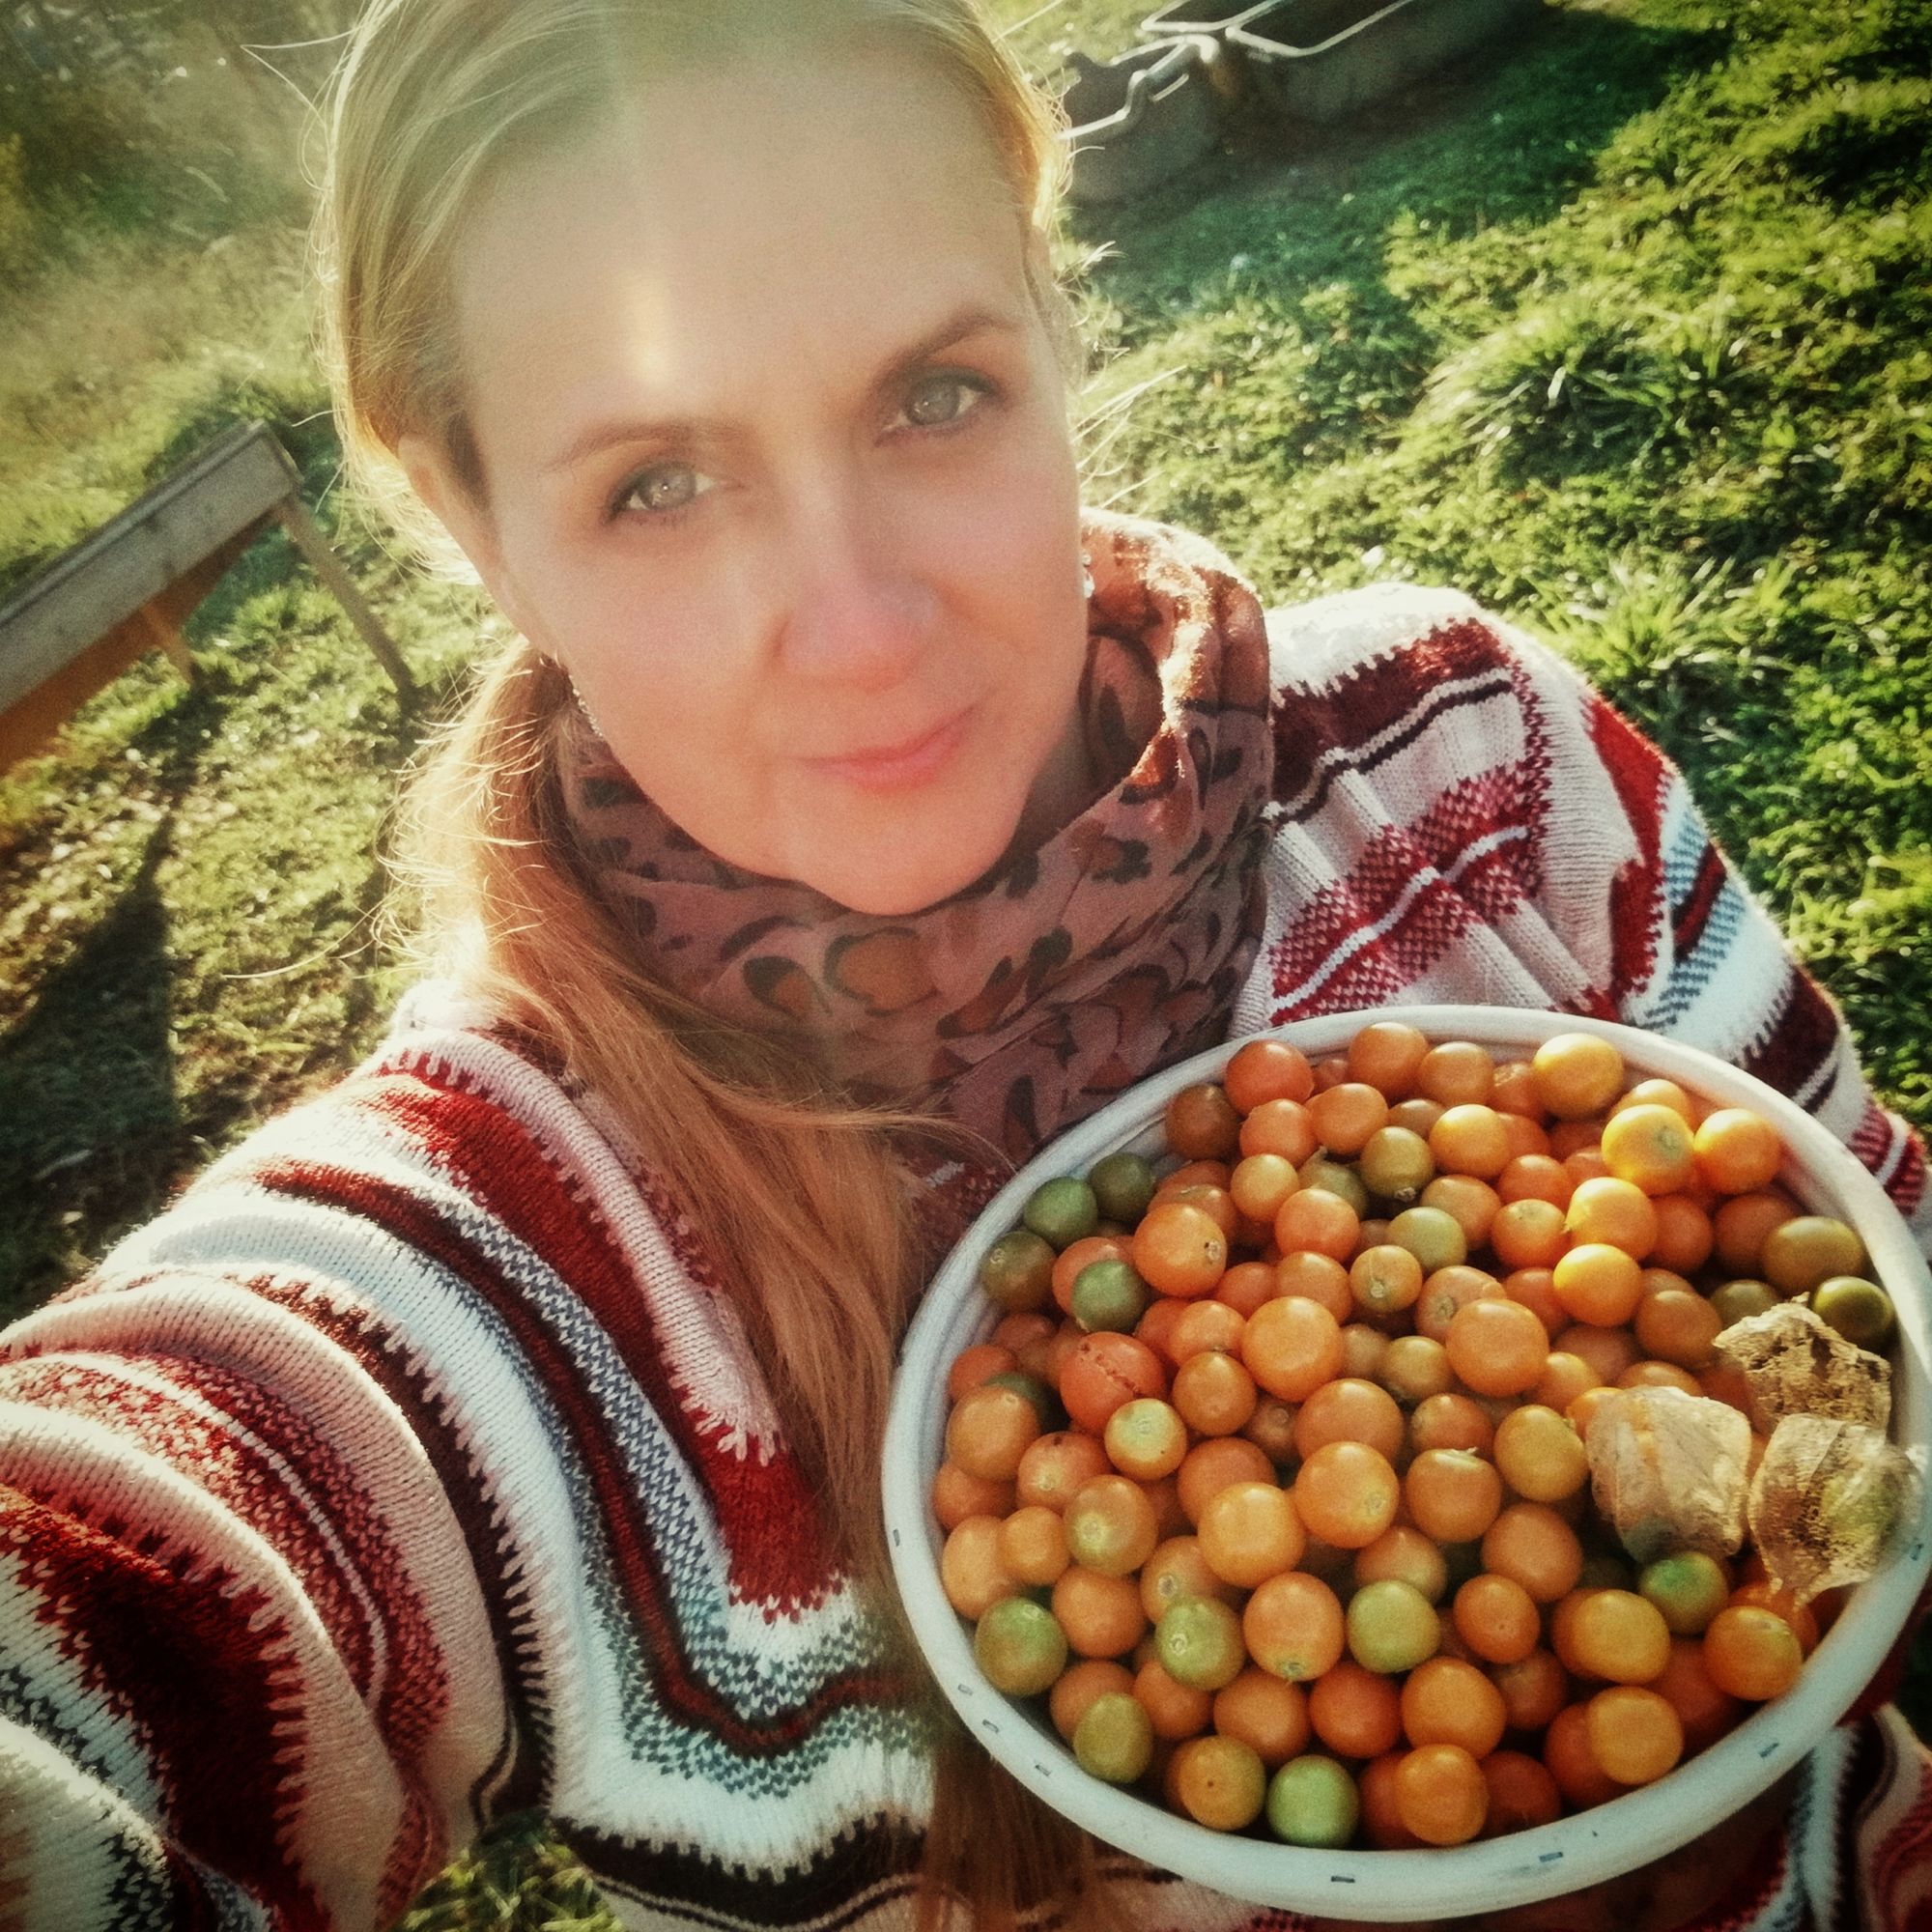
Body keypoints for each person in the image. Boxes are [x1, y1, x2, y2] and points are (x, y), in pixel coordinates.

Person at [1, 1, 1926, 1928]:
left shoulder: (1466, 760)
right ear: (475, 525)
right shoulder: (489, 1256)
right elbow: (136, 1566)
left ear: (1054, 324)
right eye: (656, 484)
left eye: (932, 394)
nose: (858, 628)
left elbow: (1879, 1311)